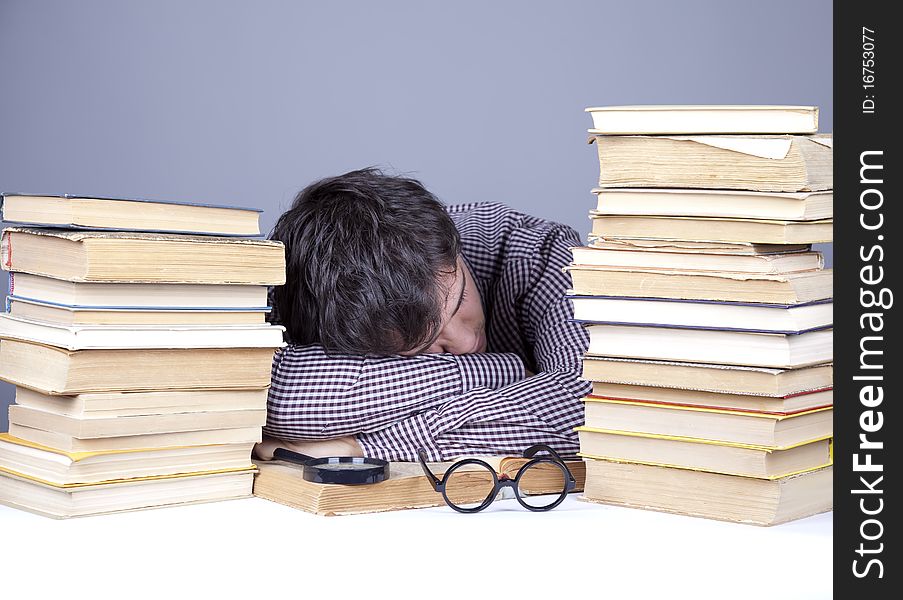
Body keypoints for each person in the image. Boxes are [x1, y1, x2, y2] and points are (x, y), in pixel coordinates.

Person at [255, 168, 590, 462]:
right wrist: (506, 370)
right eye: (420, 350)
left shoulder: (541, 252)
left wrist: (361, 445)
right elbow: (271, 390)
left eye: (460, 301)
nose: (466, 341)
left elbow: (593, 405)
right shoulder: (303, 284)